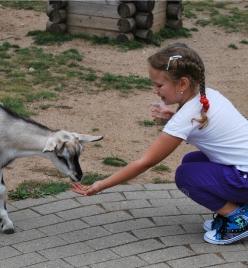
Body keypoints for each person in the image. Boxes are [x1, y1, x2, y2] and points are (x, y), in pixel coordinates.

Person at [72, 43, 248, 245]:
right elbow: (200, 124)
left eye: (159, 85)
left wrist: (101, 185)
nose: (154, 90)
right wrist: (173, 118)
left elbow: (145, 162)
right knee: (191, 161)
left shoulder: (187, 116)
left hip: (245, 177)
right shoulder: (208, 94)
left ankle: (238, 217)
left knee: (186, 176)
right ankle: (239, 207)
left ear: (182, 84)